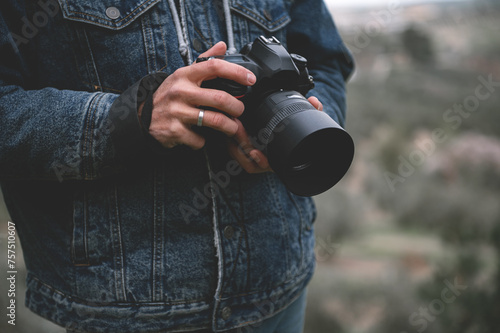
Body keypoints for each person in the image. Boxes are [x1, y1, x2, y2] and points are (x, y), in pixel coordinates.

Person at [0, 0, 353, 332]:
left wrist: (311, 118)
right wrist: (133, 118)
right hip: (125, 308)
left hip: (279, 284)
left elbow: (326, 60)